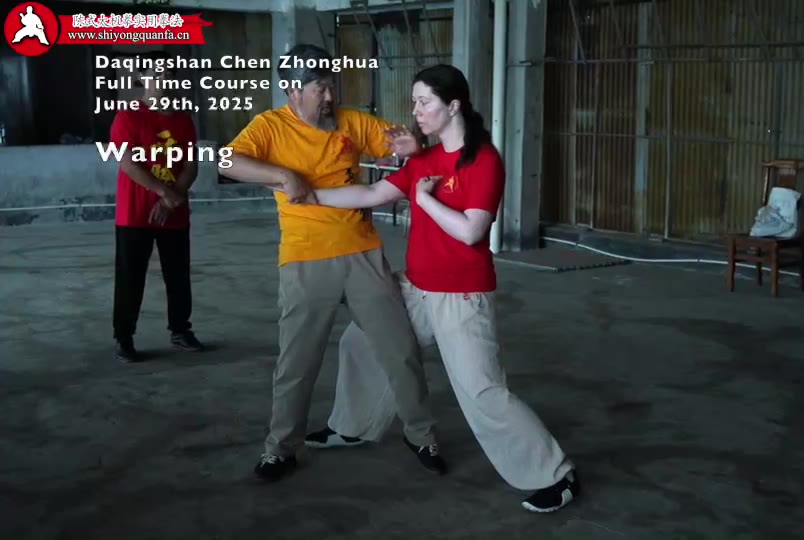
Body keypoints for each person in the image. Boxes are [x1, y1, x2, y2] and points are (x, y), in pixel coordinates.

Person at [276, 64, 581, 513]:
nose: (415, 111)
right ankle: (353, 427)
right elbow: (371, 195)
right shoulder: (426, 159)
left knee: (481, 390)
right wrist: (308, 194)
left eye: (424, 102)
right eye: (414, 102)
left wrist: (423, 199)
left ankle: (555, 474)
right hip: (416, 287)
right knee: (361, 342)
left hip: (461, 294)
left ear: (453, 105)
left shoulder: (483, 160)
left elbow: (472, 231)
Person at [217, 44, 445, 482]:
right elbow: (228, 161)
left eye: (331, 86)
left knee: (400, 350)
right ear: (292, 90)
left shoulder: (351, 122)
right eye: (319, 88)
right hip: (305, 258)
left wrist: (410, 145)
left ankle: (421, 435)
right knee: (297, 363)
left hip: (363, 253)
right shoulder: (269, 127)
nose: (329, 96)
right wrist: (284, 175)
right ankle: (281, 448)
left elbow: (399, 142)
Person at [111, 50, 206, 363]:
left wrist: (171, 198)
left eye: (169, 73)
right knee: (130, 277)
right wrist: (164, 193)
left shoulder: (183, 121)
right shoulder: (128, 116)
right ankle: (124, 336)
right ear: (142, 77)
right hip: (135, 213)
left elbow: (190, 166)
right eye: (157, 73)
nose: (164, 79)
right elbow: (127, 163)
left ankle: (180, 330)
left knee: (178, 275)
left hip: (175, 213)